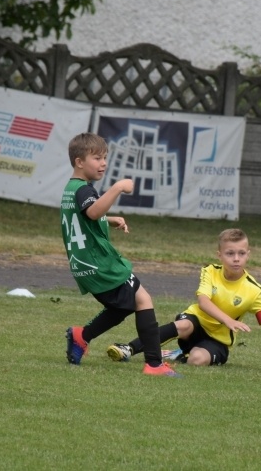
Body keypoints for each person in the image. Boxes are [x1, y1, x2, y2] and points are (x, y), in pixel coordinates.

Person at [60, 132, 180, 377]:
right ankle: (154, 364)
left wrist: (109, 220)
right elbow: (92, 212)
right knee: (143, 299)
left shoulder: (72, 189)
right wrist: (116, 188)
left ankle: (82, 336)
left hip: (84, 265)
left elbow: (84, 218)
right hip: (101, 263)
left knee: (123, 306)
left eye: (105, 157)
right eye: (97, 158)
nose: (103, 163)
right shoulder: (84, 190)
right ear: (79, 162)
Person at [106, 228, 261, 377]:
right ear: (220, 255)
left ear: (248, 254)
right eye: (230, 253)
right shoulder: (210, 271)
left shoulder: (254, 290)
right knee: (184, 324)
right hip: (195, 323)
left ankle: (178, 355)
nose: (236, 259)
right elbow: (203, 302)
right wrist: (228, 320)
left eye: (241, 254)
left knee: (196, 360)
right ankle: (128, 349)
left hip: (217, 341)